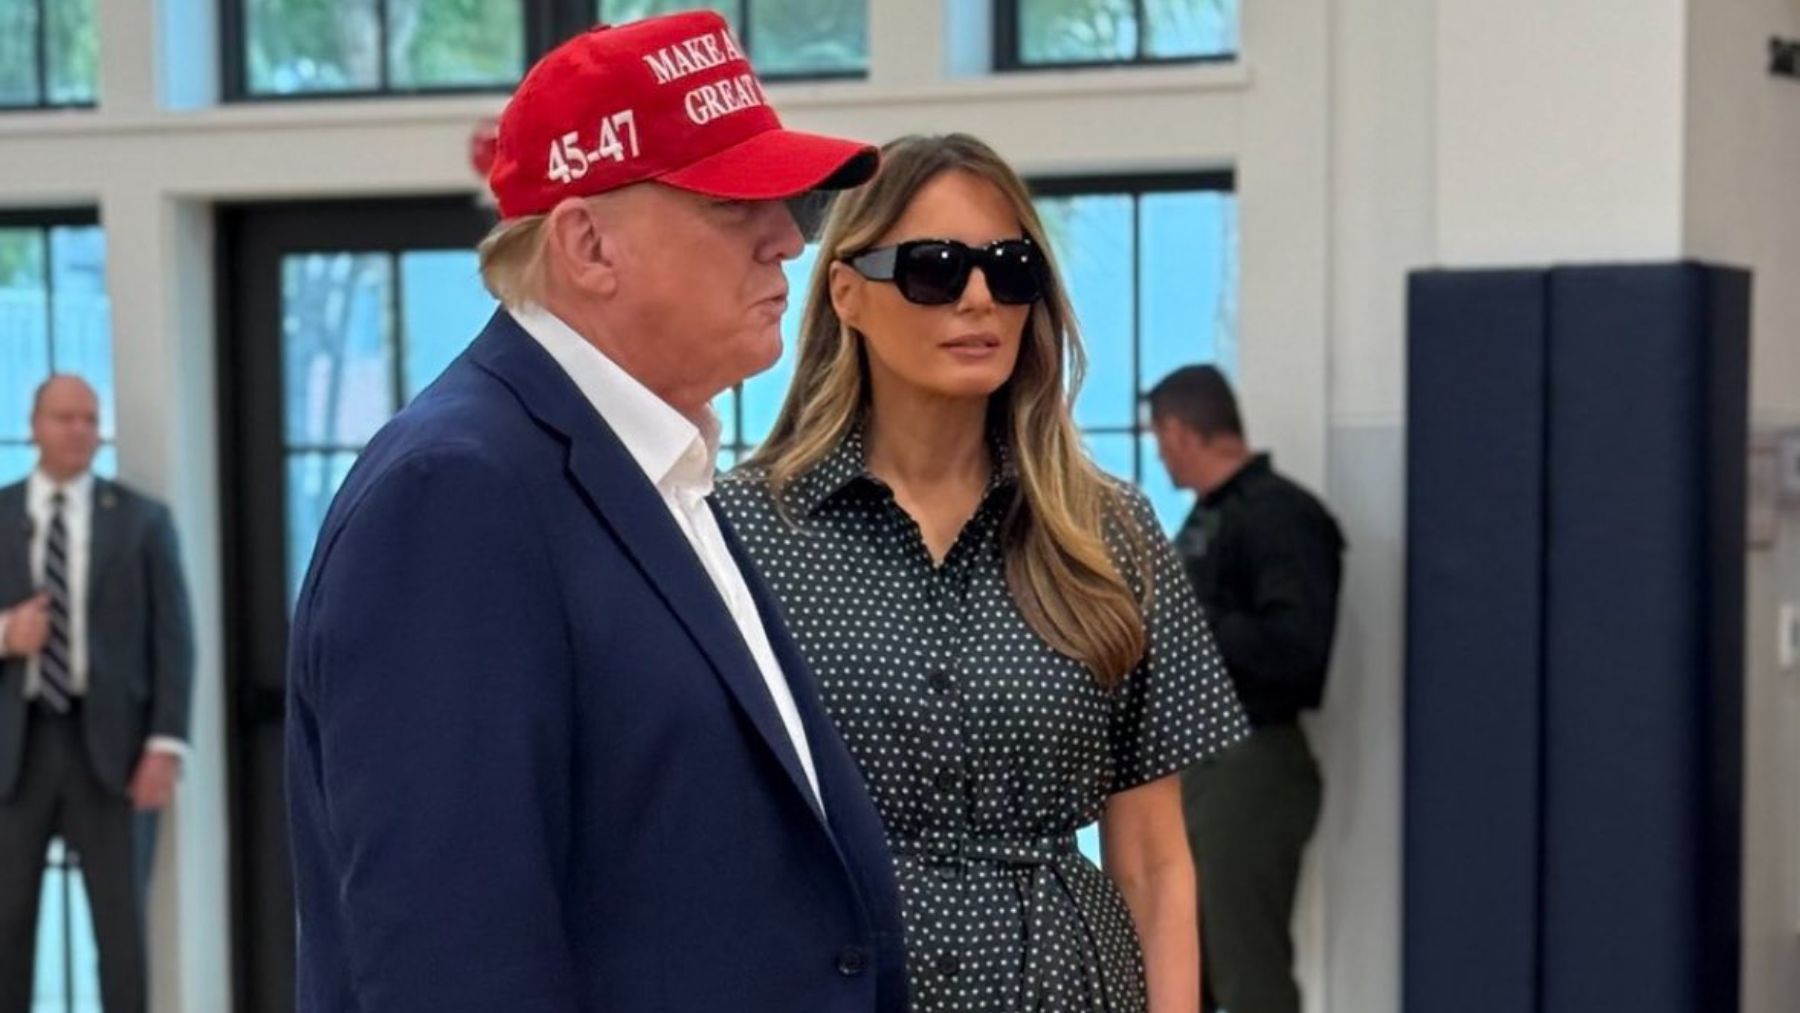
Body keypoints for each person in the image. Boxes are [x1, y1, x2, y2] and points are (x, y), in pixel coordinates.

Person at [285, 13, 904, 1013]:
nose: (788, 236)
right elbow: (453, 955)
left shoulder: (660, 472)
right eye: (731, 202)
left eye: (783, 201)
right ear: (586, 243)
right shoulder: (457, 494)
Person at [714, 133, 1250, 1013]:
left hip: (1067, 986)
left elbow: (1154, 857)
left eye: (1010, 269)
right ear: (846, 293)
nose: (978, 297)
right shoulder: (744, 532)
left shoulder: (1108, 531)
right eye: (933, 268)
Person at [1146, 365, 1346, 1013]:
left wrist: (1196, 615)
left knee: (1245, 967)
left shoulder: (1280, 516)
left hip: (1251, 763)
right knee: (1186, 960)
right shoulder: (1209, 519)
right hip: (1200, 764)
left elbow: (1297, 649)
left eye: (1159, 435)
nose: (1160, 451)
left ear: (1178, 431)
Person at [0, 375, 195, 1013]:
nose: (79, 430)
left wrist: (164, 747)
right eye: (65, 418)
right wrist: (6, 633)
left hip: (112, 754)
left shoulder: (141, 521)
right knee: (6, 932)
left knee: (121, 935)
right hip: (15, 754)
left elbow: (174, 642)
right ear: (34, 425)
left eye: (89, 419)